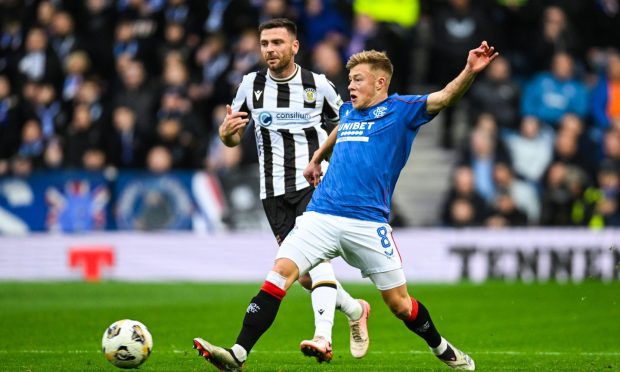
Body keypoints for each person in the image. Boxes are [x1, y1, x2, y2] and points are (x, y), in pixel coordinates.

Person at [193, 39, 498, 371]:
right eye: (350, 79)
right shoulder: (350, 111)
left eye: (358, 80)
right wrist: (317, 158)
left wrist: (469, 69)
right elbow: (342, 128)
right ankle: (238, 354)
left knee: (399, 304)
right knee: (280, 274)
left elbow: (446, 96)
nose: (350, 86)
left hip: (368, 224)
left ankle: (441, 348)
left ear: (381, 82)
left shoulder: (402, 110)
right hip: (321, 214)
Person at [212, 18, 370, 363]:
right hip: (273, 193)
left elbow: (347, 127)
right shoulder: (250, 86)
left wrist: (337, 168)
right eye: (265, 43)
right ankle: (356, 309)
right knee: (303, 277)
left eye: (277, 43)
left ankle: (322, 338)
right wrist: (226, 134)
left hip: (315, 186)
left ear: (294, 46)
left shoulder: (318, 85)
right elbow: (233, 136)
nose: (270, 49)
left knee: (319, 260)